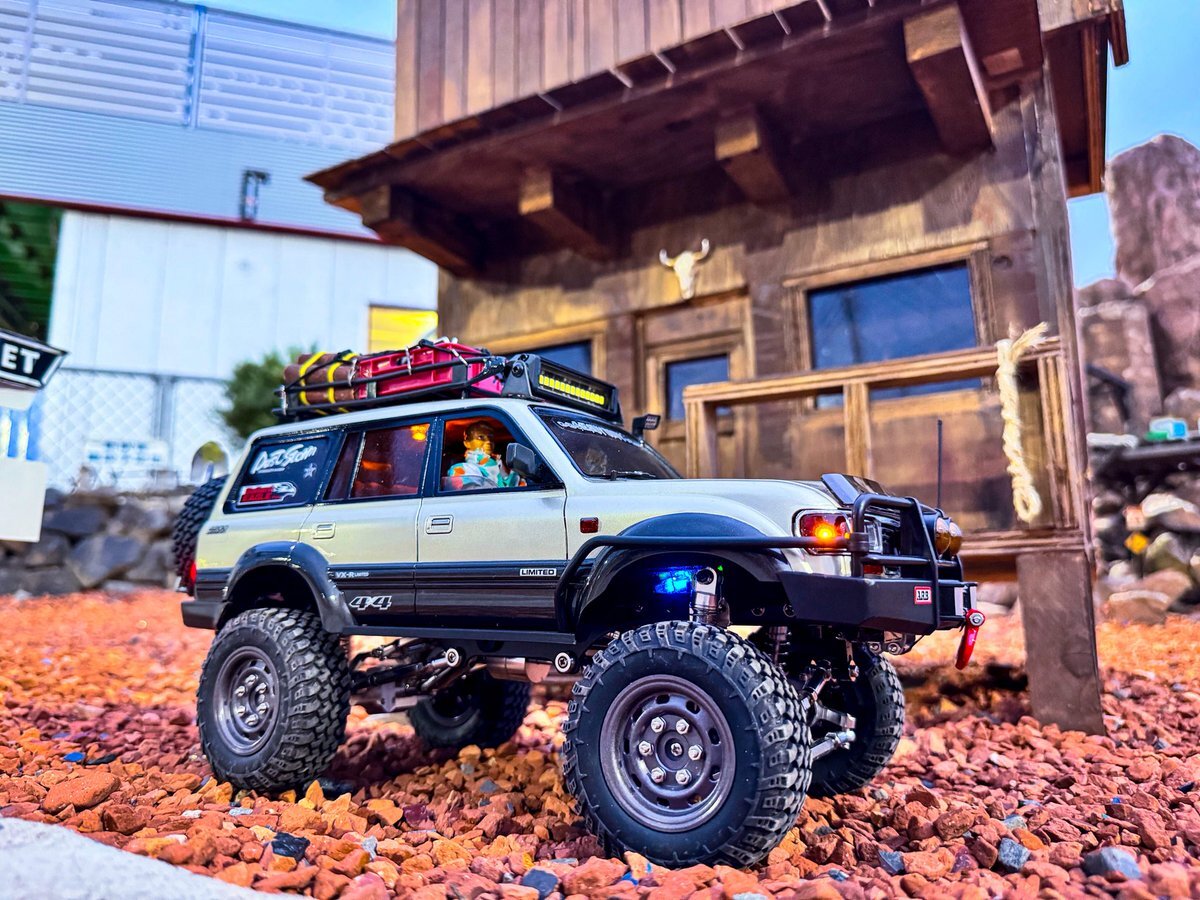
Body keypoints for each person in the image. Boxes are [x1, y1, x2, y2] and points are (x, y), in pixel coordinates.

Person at [444, 420, 524, 490]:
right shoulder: (461, 469)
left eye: (491, 437)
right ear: (467, 443)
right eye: (480, 437)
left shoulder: (501, 465)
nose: (488, 441)